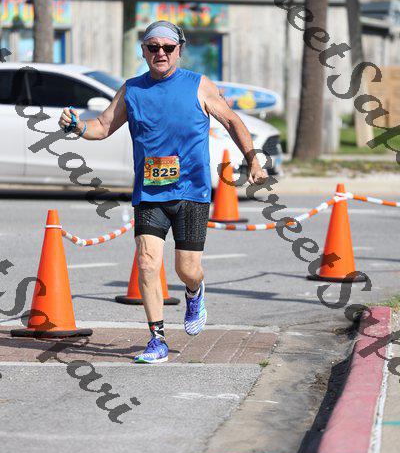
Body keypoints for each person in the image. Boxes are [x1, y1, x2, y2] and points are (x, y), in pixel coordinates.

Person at [59, 20, 268, 364]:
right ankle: (157, 339)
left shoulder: (198, 85)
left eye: (168, 48)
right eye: (153, 47)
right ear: (143, 51)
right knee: (146, 262)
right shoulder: (132, 90)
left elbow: (232, 120)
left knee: (187, 268)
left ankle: (194, 291)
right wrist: (77, 126)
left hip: (191, 192)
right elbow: (103, 126)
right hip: (149, 192)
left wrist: (253, 160)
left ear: (179, 50)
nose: (160, 53)